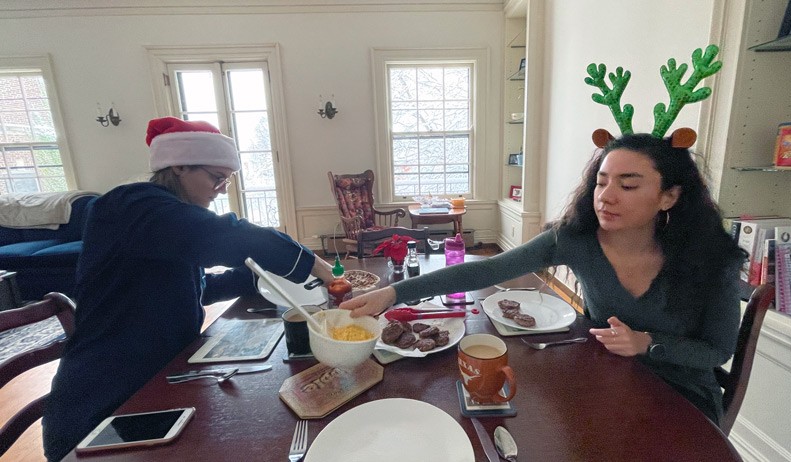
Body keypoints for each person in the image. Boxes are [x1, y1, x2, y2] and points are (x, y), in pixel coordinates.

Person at [341, 132, 745, 425]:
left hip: (681, 402)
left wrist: (647, 344)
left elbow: (717, 351)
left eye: (628, 184)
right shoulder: (575, 238)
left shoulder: (712, 258)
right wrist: (392, 293)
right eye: (601, 182)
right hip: (606, 383)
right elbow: (486, 269)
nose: (606, 196)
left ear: (669, 196)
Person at [42, 117, 334, 461]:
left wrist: (257, 278)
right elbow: (230, 234)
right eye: (216, 177)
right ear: (179, 164)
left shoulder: (164, 220)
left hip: (158, 378)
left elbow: (196, 288)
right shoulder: (130, 205)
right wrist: (317, 264)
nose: (222, 188)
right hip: (105, 402)